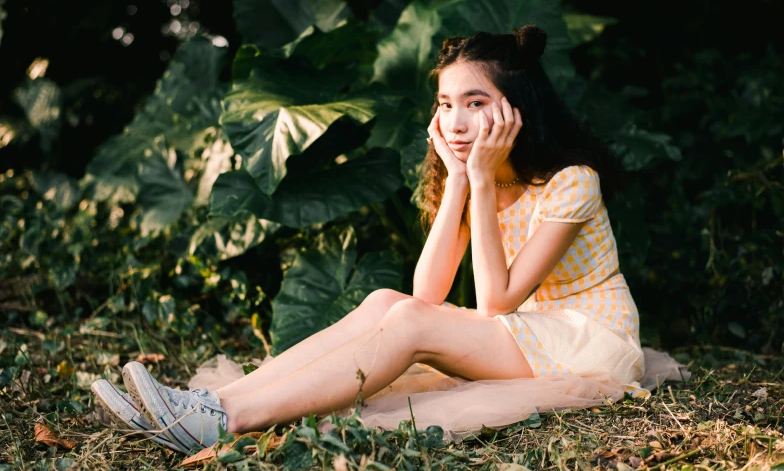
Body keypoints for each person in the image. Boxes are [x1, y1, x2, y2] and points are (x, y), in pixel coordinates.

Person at [91, 25, 688, 454]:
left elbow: (495, 304)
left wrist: (477, 178)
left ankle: (227, 419)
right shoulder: (473, 176)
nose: (455, 121)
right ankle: (213, 406)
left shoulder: (571, 182)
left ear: (515, 110)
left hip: (587, 342)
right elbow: (427, 293)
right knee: (386, 304)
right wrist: (459, 180)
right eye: (446, 104)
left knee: (405, 325)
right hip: (524, 337)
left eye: (476, 103)